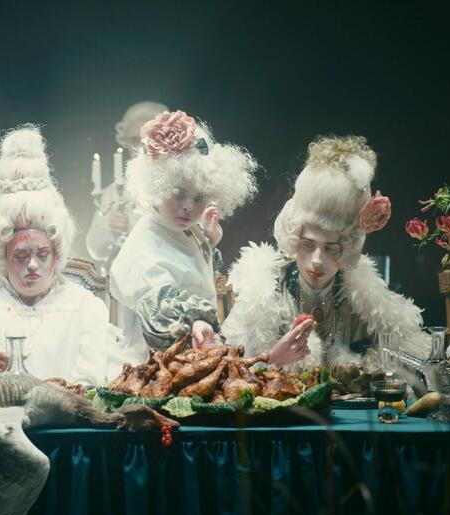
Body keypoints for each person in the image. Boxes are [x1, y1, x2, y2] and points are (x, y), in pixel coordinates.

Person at [223, 135, 430, 369]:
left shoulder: (360, 293)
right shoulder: (266, 290)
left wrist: (365, 368)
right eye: (308, 245)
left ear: (349, 247)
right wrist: (273, 360)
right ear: (293, 238)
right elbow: (233, 369)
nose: (317, 261)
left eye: (331, 249)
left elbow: (411, 349)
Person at [0, 125, 109, 386]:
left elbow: (91, 383)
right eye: (21, 256)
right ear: (3, 257)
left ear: (57, 254)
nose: (33, 265)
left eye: (43, 254)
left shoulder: (86, 307)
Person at [108, 109, 258, 372]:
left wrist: (208, 246)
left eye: (199, 198)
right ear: (157, 185)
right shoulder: (144, 244)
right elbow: (161, 307)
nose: (189, 207)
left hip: (192, 364)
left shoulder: (184, 231)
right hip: (149, 372)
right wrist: (194, 323)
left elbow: (192, 279)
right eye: (178, 194)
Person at [85, 101, 168, 268]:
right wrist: (110, 231)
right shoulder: (114, 193)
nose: (140, 147)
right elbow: (94, 247)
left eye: (147, 139)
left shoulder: (179, 187)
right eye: (134, 140)